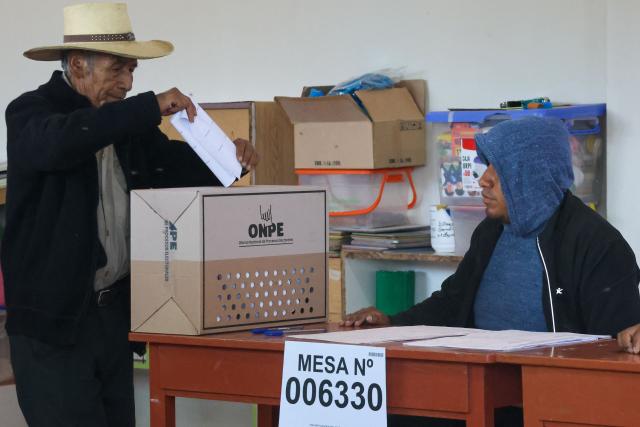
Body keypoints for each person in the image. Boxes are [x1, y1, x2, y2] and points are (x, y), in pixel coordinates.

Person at [2, 3, 258, 426]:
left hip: (111, 317)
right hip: (52, 327)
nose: (128, 82)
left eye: (133, 71)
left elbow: (174, 167)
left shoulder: (126, 125)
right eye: (118, 69)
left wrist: (231, 161)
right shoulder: (31, 111)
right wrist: (147, 106)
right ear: (79, 63)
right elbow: (61, 143)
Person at [342, 116, 640, 427]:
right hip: (475, 390)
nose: (484, 180)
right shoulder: (491, 231)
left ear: (531, 176)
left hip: (548, 404)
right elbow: (451, 302)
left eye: (498, 170)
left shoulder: (597, 245)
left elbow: (618, 350)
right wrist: (391, 323)